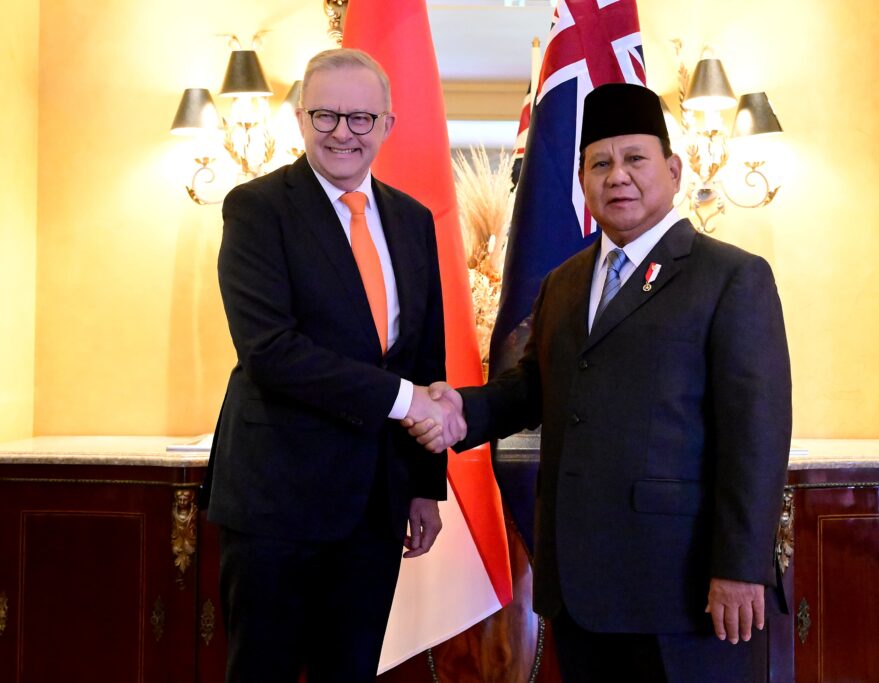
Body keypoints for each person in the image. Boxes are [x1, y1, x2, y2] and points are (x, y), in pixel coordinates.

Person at [406, 83, 792, 682]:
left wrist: (740, 566)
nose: (618, 177)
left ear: (672, 169)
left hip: (683, 586)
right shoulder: (563, 282)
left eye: (635, 159)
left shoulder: (729, 277)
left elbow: (757, 436)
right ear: (583, 182)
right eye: (600, 164)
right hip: (580, 583)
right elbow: (533, 388)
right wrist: (460, 409)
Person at [202, 48, 465, 682]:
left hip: (374, 505)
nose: (343, 133)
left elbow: (425, 352)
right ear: (299, 119)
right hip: (276, 503)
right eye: (325, 115)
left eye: (360, 118)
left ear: (387, 125)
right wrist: (407, 403)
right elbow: (272, 352)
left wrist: (425, 485)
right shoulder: (257, 209)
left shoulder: (412, 219)